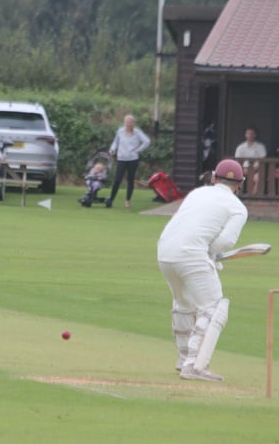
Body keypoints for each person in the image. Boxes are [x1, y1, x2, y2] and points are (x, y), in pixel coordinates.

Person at [157, 159, 248, 382]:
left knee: (184, 303)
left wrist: (208, 255)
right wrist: (211, 255)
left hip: (165, 251)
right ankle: (195, 365)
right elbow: (225, 242)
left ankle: (184, 358)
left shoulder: (197, 193)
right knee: (214, 307)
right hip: (191, 254)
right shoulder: (238, 207)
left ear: (215, 178)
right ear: (239, 184)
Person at [106, 114, 151, 208]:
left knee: (130, 180)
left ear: (133, 123)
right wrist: (112, 150)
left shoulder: (137, 132)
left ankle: (127, 200)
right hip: (121, 158)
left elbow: (147, 141)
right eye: (127, 122)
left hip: (133, 159)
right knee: (117, 180)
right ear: (124, 123)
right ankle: (111, 199)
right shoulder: (120, 131)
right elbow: (115, 142)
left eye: (130, 122)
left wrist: (138, 149)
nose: (128, 124)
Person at [234, 126, 266, 195]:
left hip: (256, 170)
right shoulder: (240, 147)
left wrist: (253, 169)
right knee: (235, 176)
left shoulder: (260, 147)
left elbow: (262, 160)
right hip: (243, 169)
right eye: (248, 133)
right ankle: (237, 195)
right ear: (245, 135)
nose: (250, 135)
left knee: (258, 178)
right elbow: (237, 161)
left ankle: (252, 196)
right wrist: (243, 169)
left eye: (252, 134)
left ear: (255, 135)